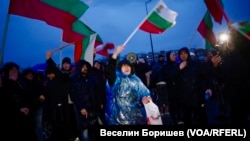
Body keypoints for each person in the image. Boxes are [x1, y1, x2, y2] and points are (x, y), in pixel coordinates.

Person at [105, 45, 152, 125]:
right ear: (120, 69)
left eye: (128, 65)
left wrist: (146, 97)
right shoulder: (116, 79)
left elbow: (144, 92)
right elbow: (110, 70)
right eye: (124, 66)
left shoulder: (135, 79)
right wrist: (116, 53)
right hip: (119, 118)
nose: (127, 68)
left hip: (137, 116)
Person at [176, 47, 212, 125]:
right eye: (181, 54)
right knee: (187, 118)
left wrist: (208, 87)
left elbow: (206, 76)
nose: (183, 55)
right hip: (185, 98)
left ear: (188, 54)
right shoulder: (178, 66)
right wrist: (179, 69)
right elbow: (173, 79)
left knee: (202, 117)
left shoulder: (196, 64)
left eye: (185, 53)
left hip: (197, 96)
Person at [69, 59, 102, 141]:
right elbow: (74, 96)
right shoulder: (74, 80)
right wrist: (81, 108)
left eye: (86, 66)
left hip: (93, 110)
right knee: (84, 132)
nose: (85, 68)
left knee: (94, 131)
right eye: (83, 67)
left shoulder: (91, 79)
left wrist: (100, 102)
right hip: (83, 111)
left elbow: (97, 92)